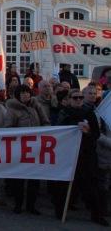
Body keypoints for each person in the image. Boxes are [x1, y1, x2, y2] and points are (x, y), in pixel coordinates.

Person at [55, 89, 108, 226]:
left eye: (80, 98)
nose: (78, 100)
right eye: (75, 98)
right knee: (64, 185)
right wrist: (72, 127)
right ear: (70, 99)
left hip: (87, 154)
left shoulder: (89, 113)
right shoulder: (64, 113)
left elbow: (96, 134)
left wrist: (88, 131)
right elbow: (58, 132)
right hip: (68, 154)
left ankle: (97, 215)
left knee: (92, 185)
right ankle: (60, 211)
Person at [5, 84, 49, 214]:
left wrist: (45, 131)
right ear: (18, 95)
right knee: (19, 178)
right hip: (20, 148)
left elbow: (45, 121)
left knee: (34, 179)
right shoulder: (12, 109)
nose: (25, 95)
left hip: (36, 147)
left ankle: (31, 205)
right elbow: (8, 128)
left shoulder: (36, 106)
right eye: (22, 93)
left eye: (27, 92)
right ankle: (18, 204)